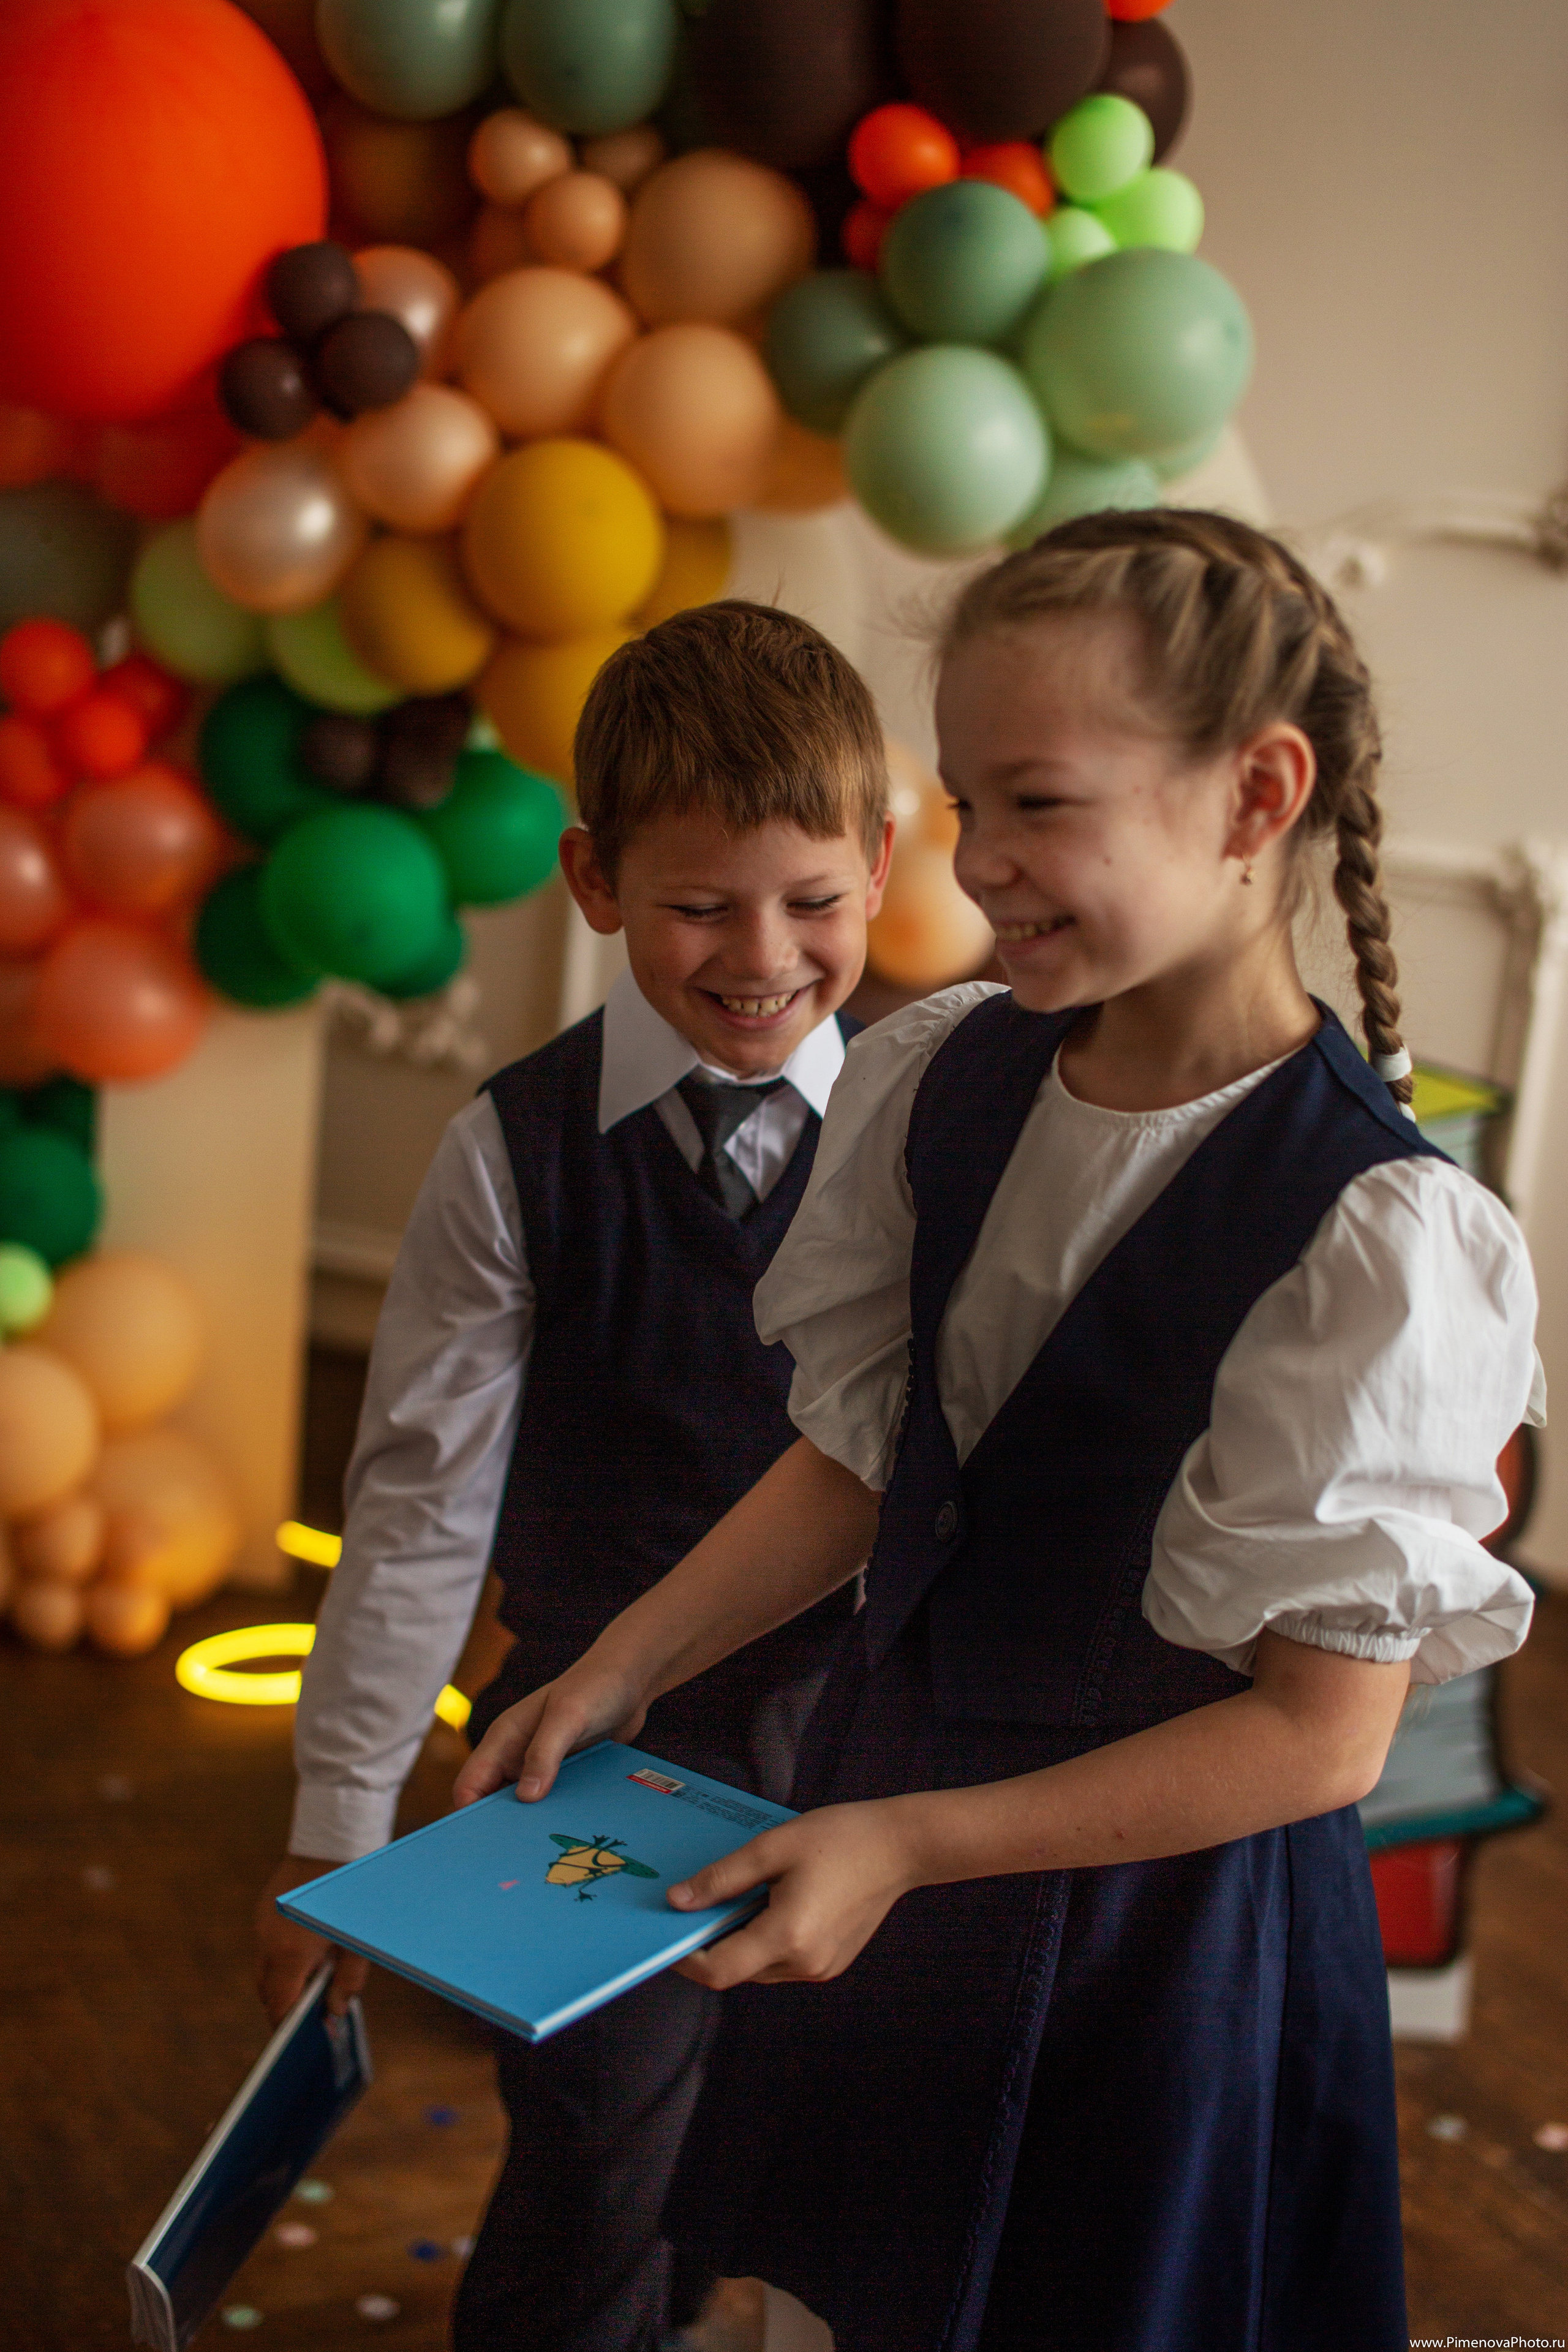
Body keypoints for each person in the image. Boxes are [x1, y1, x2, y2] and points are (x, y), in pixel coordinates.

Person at [455, 511, 1544, 2352]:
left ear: (1255, 795)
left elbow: (1319, 1739)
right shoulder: (942, 1076)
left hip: (1148, 1947)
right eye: (964, 807)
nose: (984, 870)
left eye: (1039, 805)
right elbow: (871, 1461)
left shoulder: (1383, 1237)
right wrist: (621, 1665)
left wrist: (908, 1844)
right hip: (896, 1844)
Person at [252, 600, 894, 2352]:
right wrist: (338, 1831)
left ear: (886, 869)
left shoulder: (948, 1105)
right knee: (597, 2150)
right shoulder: (511, 1153)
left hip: (876, 1725)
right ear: (596, 881)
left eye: (814, 901)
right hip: (595, 1743)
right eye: (700, 904)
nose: (763, 956)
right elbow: (416, 1512)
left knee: (814, 2145)